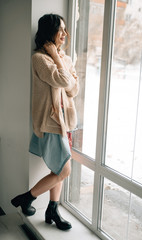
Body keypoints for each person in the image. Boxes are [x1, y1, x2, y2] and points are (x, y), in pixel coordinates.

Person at [11, 13, 79, 231]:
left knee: (59, 169)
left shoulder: (65, 59)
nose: (64, 34)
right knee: (64, 170)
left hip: (64, 121)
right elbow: (63, 80)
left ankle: (52, 209)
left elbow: (74, 89)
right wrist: (57, 59)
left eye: (65, 30)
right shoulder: (39, 59)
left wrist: (60, 59)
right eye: (60, 30)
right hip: (51, 122)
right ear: (49, 32)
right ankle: (27, 198)